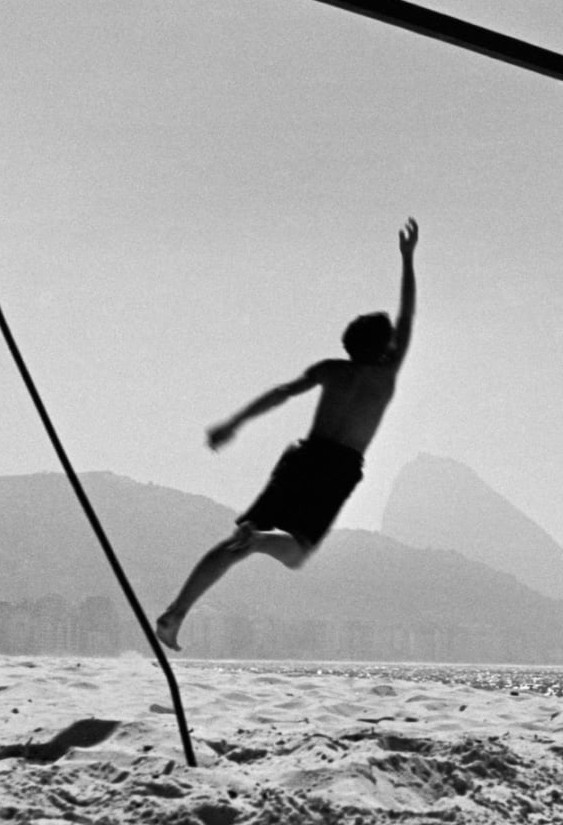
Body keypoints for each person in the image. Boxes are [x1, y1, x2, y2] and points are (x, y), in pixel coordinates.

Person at [155, 218, 419, 652]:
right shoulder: (385, 376)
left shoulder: (331, 370)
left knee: (234, 542)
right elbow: (408, 316)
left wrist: (234, 423)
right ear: (384, 345)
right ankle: (258, 541)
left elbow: (281, 394)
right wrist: (407, 260)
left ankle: (176, 612)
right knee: (295, 554)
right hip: (338, 467)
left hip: (303, 457)